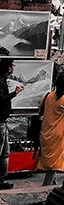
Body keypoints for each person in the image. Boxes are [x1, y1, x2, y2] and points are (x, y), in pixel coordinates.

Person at [36, 73, 64, 186]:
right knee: (55, 163)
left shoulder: (47, 96)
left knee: (50, 160)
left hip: (46, 132)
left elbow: (40, 108)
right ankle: (46, 186)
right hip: (60, 134)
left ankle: (52, 184)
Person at [0, 58, 24, 189]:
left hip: (3, 121)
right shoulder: (0, 81)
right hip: (0, 121)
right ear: (9, 68)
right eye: (13, 65)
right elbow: (1, 98)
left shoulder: (2, 80)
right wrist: (14, 93)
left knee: (5, 153)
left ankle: (2, 179)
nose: (14, 67)